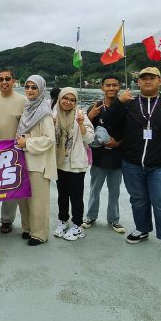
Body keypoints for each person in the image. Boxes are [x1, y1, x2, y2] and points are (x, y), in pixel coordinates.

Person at [108, 67, 161, 261]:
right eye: (143, 78)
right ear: (138, 82)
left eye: (152, 78)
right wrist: (118, 102)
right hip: (132, 162)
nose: (148, 81)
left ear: (160, 81)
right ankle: (142, 229)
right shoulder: (129, 103)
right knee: (138, 199)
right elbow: (110, 121)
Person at [0, 68, 27, 233]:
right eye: (0, 79)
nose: (4, 82)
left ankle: (7, 220)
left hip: (14, 151)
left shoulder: (23, 101)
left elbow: (28, 126)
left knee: (10, 186)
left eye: (7, 79)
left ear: (14, 81)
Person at [15, 75, 57, 246]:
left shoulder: (44, 113)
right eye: (27, 87)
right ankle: (27, 228)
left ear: (41, 90)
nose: (30, 90)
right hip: (23, 160)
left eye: (34, 87)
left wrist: (27, 142)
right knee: (23, 198)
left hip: (38, 163)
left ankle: (39, 234)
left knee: (38, 200)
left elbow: (49, 139)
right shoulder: (27, 108)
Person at [82, 75, 125, 234]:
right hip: (99, 156)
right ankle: (90, 216)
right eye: (108, 85)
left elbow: (130, 130)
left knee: (115, 191)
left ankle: (114, 219)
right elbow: (86, 129)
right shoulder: (95, 107)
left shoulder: (125, 106)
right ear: (102, 87)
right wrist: (90, 116)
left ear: (119, 87)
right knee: (95, 188)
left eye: (114, 85)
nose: (111, 88)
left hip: (117, 155)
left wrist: (119, 143)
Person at [52, 87, 94, 241]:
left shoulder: (81, 115)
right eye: (65, 98)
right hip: (59, 162)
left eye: (72, 100)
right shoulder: (54, 114)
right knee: (62, 195)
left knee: (76, 197)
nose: (68, 102)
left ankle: (77, 225)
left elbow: (89, 139)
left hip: (76, 164)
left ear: (75, 102)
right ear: (60, 98)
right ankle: (63, 221)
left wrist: (81, 124)